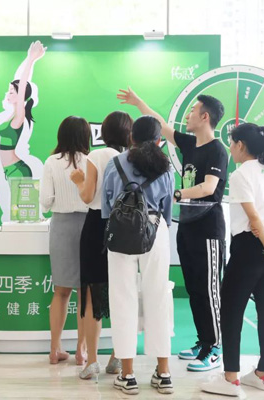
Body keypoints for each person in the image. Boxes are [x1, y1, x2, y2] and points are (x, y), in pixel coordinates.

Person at [118, 88, 227, 372]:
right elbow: (160, 125)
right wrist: (138, 102)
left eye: (192, 111)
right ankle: (203, 342)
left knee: (209, 290)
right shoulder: (190, 143)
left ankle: (216, 347)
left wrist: (176, 194)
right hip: (188, 226)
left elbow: (209, 188)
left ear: (205, 117)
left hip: (209, 229)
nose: (188, 115)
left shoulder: (217, 150)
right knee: (194, 289)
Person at [201, 123, 264, 397]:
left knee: (231, 311)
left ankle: (230, 378)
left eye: (232, 143)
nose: (230, 149)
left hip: (250, 248)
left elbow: (253, 218)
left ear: (240, 145)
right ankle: (263, 374)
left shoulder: (241, 174)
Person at [102, 116, 175, 395]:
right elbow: (167, 209)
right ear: (159, 140)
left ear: (131, 137)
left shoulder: (116, 163)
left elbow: (106, 205)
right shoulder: (166, 166)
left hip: (121, 230)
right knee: (158, 297)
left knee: (123, 299)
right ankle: (164, 373)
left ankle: (128, 375)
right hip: (156, 230)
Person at [70, 111, 132, 380]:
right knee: (120, 293)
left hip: (96, 225)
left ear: (104, 132)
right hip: (123, 228)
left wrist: (78, 181)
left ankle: (92, 361)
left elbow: (87, 196)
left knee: (92, 294)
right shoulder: (131, 157)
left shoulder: (96, 156)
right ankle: (117, 357)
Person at [40, 116, 90, 366]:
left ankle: (54, 349)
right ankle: (82, 351)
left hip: (60, 225)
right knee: (84, 292)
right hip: (88, 226)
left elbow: (45, 201)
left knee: (60, 291)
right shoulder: (91, 161)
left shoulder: (51, 162)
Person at [0, 41, 46, 222]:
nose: (8, 95)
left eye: (11, 92)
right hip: (9, 170)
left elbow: (22, 84)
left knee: (25, 217)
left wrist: (31, 60)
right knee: (18, 217)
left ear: (20, 96)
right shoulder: (10, 116)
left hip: (18, 170)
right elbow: (19, 83)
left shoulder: (19, 116)